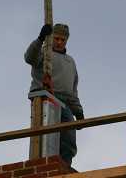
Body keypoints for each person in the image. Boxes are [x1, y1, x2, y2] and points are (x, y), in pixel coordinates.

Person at [24, 23, 84, 165]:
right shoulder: (44, 53)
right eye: (56, 38)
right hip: (44, 96)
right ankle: (42, 166)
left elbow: (72, 92)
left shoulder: (70, 62)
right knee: (45, 140)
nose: (59, 42)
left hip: (65, 103)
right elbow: (29, 57)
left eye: (62, 40)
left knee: (68, 139)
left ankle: (64, 167)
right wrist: (40, 38)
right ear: (51, 38)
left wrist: (79, 113)